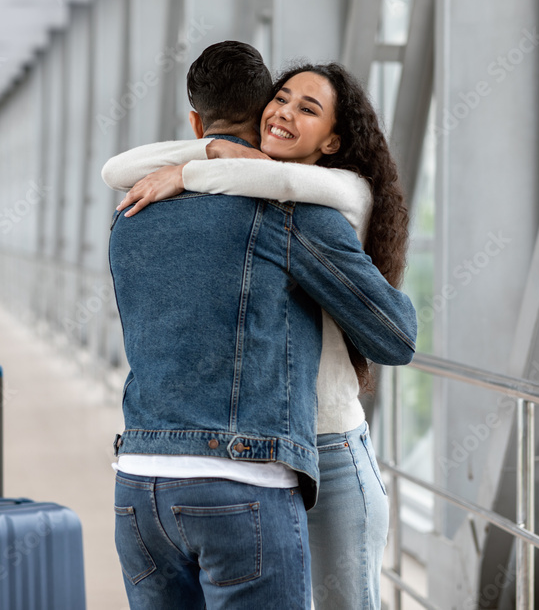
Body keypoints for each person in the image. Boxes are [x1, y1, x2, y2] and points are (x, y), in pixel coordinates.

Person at [106, 41, 417, 609]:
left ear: (333, 141)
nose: (285, 114)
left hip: (309, 446)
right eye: (280, 99)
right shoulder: (266, 205)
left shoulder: (326, 198)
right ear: (258, 113)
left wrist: (199, 163)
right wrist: (207, 161)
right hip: (261, 458)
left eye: (307, 108)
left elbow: (394, 335)